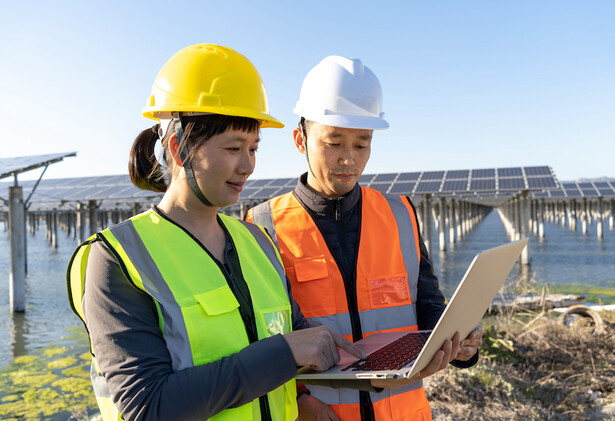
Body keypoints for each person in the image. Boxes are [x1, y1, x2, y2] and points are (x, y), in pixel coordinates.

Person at [67, 44, 366, 421]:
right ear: (179, 148)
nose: (247, 166)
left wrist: (375, 367)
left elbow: (297, 336)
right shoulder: (118, 259)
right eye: (233, 147)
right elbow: (147, 407)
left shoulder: (257, 242)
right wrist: (284, 353)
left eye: (254, 148)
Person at [246, 55, 484, 420]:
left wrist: (459, 340)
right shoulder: (263, 226)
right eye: (334, 142)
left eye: (362, 144)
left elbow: (429, 305)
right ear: (300, 139)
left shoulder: (400, 214)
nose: (349, 159)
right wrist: (300, 400)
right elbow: (261, 337)